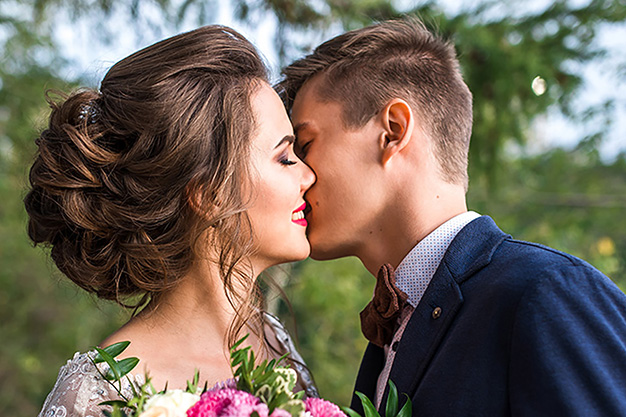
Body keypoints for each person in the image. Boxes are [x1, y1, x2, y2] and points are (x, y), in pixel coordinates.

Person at [277, 17, 626, 416]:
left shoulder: (546, 291)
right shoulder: (389, 335)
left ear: (392, 131)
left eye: (306, 145)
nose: (300, 174)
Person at [27, 25, 317, 417]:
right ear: (208, 194)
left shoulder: (275, 345)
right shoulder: (100, 395)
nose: (308, 176)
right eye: (285, 158)